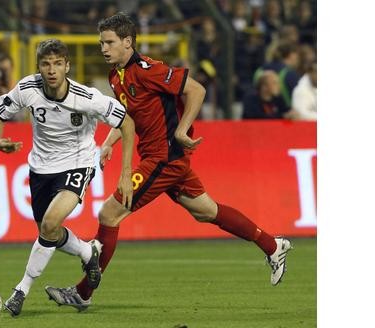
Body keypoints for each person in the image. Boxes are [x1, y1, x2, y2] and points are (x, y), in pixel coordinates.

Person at [45, 13, 293, 312]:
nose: (104, 48)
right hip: (161, 158)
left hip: (164, 157)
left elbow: (196, 90)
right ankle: (272, 245)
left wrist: (181, 128)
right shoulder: (116, 76)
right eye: (101, 42)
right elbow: (129, 116)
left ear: (127, 42)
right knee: (207, 211)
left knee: (109, 214)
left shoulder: (149, 69)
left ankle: (83, 292)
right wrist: (110, 141)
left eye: (109, 42)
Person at [0, 39, 135, 316]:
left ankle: (21, 289)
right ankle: (88, 252)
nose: (52, 70)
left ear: (67, 66)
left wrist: (126, 173)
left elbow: (127, 122)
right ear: (39, 67)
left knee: (51, 223)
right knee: (49, 230)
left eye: (57, 64)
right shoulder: (28, 89)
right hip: (40, 169)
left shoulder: (87, 98)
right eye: (46, 64)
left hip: (78, 164)